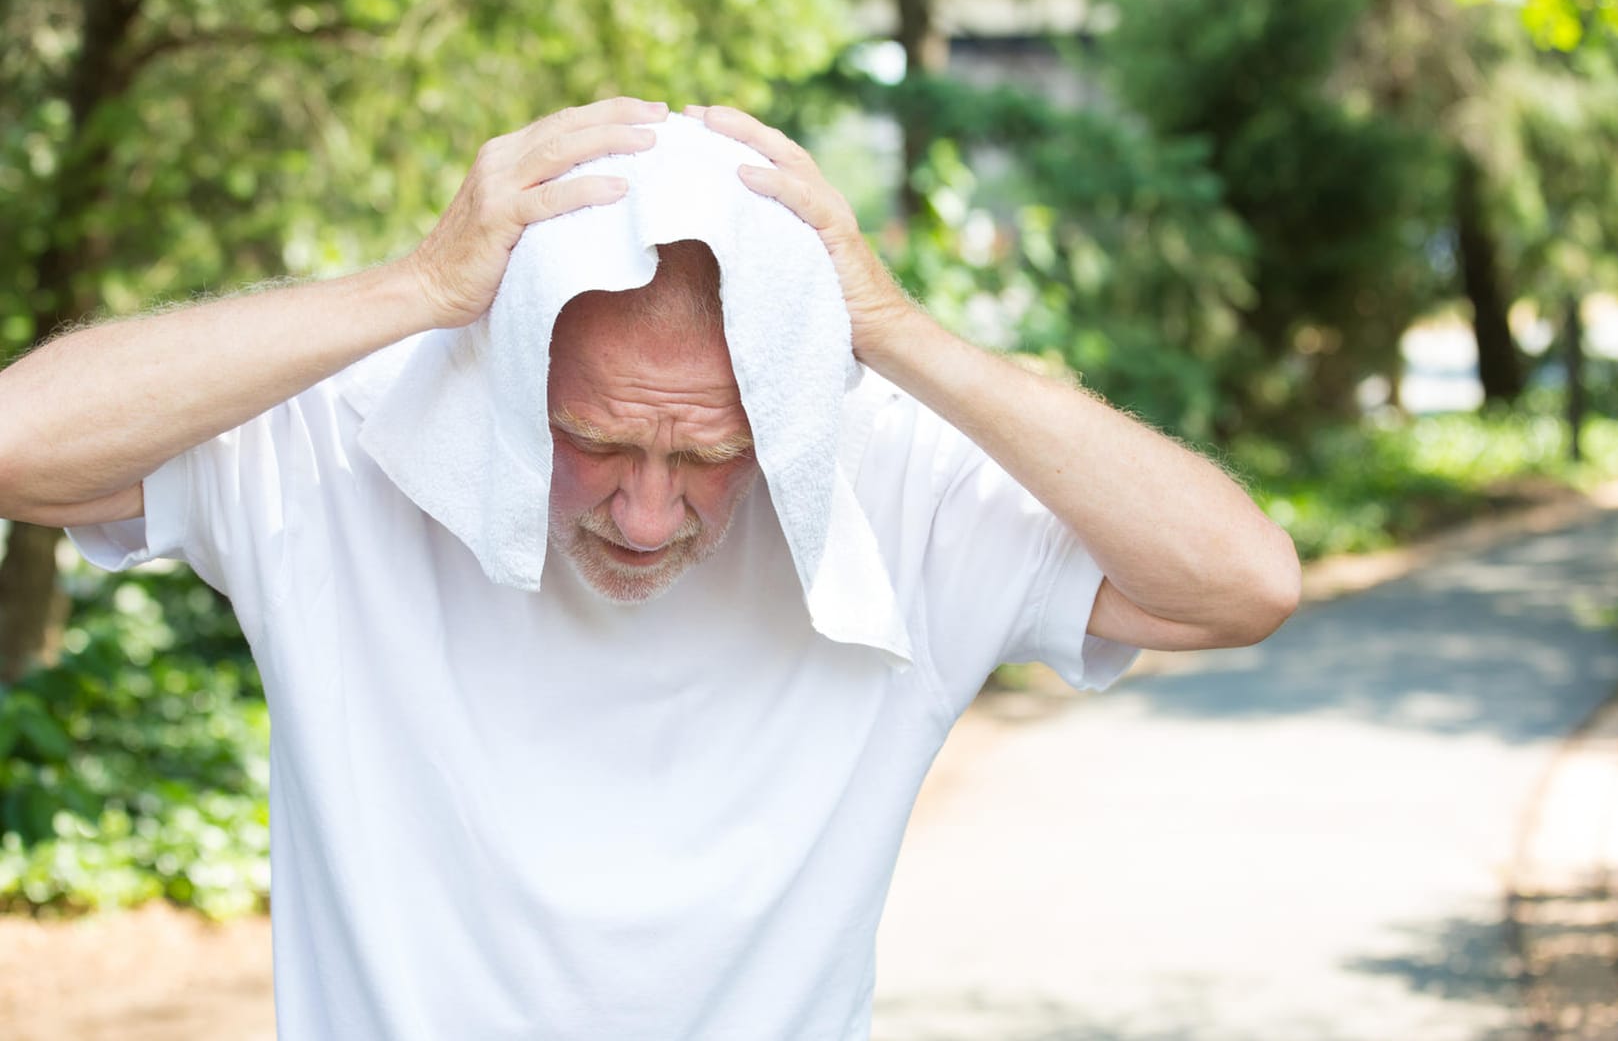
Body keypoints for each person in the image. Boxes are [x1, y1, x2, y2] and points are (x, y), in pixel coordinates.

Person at [0, 97, 1300, 1039]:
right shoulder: (350, 446)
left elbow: (1240, 584)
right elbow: (19, 446)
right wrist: (416, 286)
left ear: (789, 420)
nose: (643, 510)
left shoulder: (896, 494)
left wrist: (893, 331)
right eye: (593, 439)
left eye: (714, 453)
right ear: (507, 385)